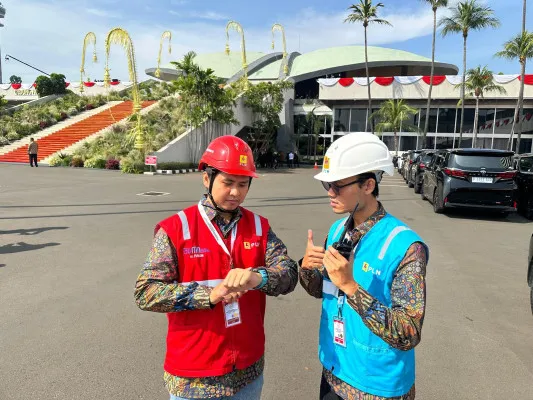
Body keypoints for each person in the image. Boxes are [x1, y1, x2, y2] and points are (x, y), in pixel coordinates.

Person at [134, 135, 298, 400]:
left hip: (247, 373)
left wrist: (259, 277)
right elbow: (146, 292)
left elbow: (289, 274)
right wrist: (208, 296)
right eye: (228, 183)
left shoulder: (259, 227)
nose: (235, 192)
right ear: (207, 179)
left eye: (243, 184)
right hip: (194, 377)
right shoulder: (176, 229)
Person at [299, 132, 428, 400]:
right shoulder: (337, 230)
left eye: (337, 186)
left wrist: (350, 286)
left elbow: (408, 333)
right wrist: (308, 269)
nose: (330, 194)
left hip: (376, 386)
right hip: (335, 370)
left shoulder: (405, 247)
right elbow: (321, 291)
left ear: (368, 185)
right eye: (327, 186)